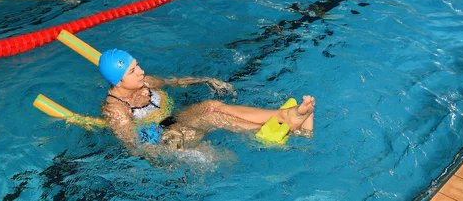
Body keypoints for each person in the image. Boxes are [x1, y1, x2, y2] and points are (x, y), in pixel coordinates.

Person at [99, 49, 315, 157]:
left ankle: (284, 116)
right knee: (213, 117)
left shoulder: (146, 82)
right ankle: (286, 131)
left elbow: (176, 82)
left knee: (211, 105)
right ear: (118, 80)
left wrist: (206, 80)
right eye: (132, 70)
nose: (141, 71)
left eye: (137, 65)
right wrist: (174, 155)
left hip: (177, 120)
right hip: (166, 138)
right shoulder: (116, 109)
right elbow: (134, 146)